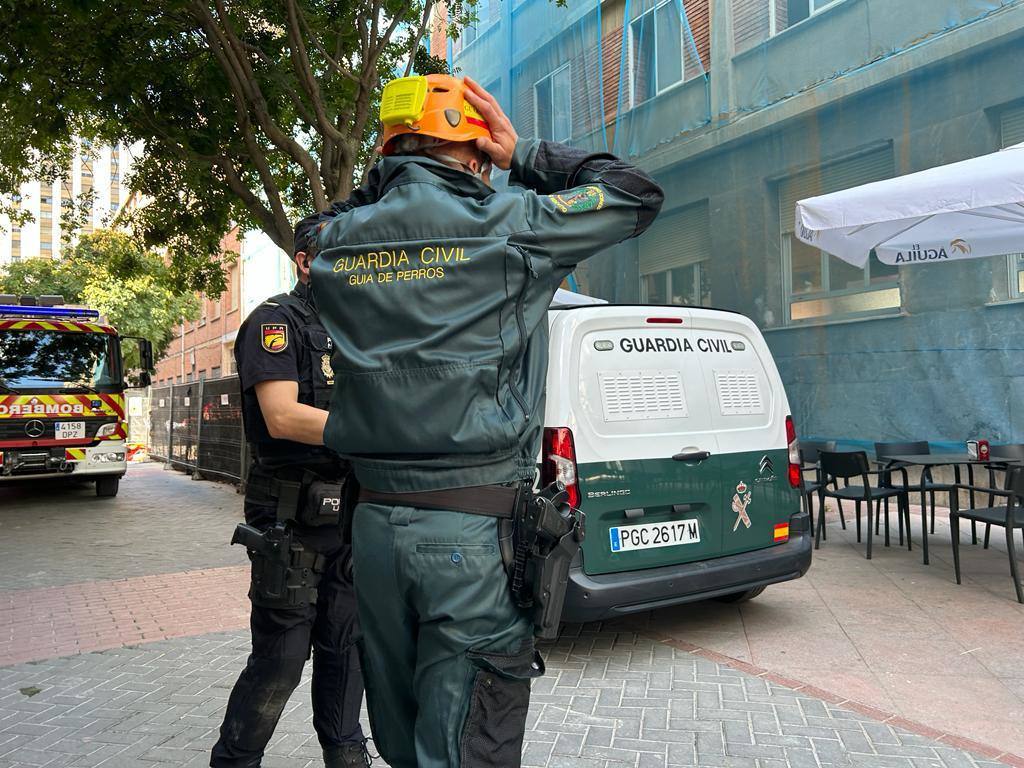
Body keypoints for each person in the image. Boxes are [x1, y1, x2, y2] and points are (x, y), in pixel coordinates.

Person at [308, 74, 664, 768]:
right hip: (471, 539)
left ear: (390, 153)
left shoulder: (333, 242)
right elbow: (635, 192)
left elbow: (321, 222)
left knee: (406, 737)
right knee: (472, 741)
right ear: (474, 150)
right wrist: (521, 152)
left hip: (375, 533)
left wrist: (391, 173)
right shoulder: (514, 227)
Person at [209, 227, 369, 768]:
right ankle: (235, 760)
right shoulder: (274, 322)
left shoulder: (360, 329)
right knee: (281, 659)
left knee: (346, 653)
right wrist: (375, 430)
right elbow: (282, 416)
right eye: (341, 259)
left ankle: (347, 757)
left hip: (352, 515)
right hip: (290, 522)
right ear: (305, 262)